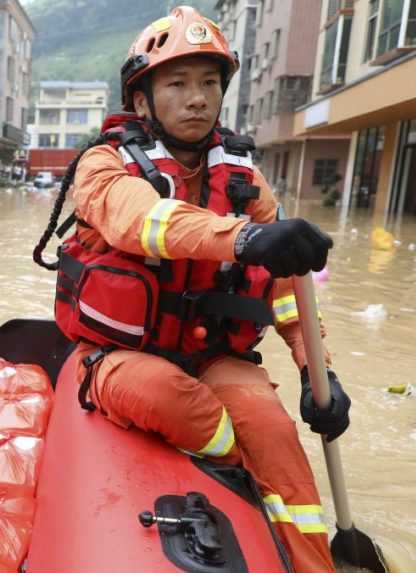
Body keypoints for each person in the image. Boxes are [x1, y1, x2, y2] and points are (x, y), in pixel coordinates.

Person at [35, 7, 350, 572]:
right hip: (121, 355)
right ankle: (235, 465)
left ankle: (312, 561)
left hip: (215, 353)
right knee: (172, 398)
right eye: (177, 83)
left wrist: (317, 373)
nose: (197, 98)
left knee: (276, 429)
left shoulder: (246, 182)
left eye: (209, 83)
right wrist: (244, 236)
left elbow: (286, 294)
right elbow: (142, 221)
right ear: (141, 100)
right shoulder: (104, 166)